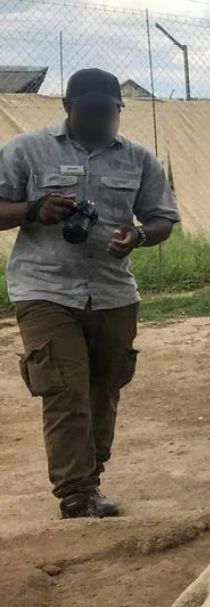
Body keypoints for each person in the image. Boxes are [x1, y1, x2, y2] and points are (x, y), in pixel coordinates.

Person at [0, 68, 180, 519]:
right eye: (92, 112)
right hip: (44, 288)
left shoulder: (139, 160)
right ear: (67, 107)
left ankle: (92, 475)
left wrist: (138, 237)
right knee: (64, 388)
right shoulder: (26, 149)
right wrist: (35, 209)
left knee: (105, 388)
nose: (102, 121)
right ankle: (76, 494)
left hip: (113, 291)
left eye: (110, 113)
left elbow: (163, 219)